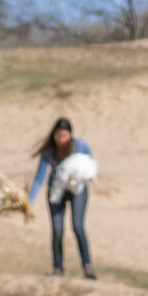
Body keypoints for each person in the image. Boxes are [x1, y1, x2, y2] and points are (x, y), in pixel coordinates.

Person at [27, 118, 96, 279]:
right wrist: (29, 201)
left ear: (70, 135)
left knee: (78, 226)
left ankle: (88, 267)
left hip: (77, 188)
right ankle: (58, 268)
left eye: (64, 136)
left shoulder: (81, 146)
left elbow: (90, 164)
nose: (61, 139)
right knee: (57, 230)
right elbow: (39, 178)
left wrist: (81, 175)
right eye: (58, 135)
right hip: (56, 190)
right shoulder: (49, 151)